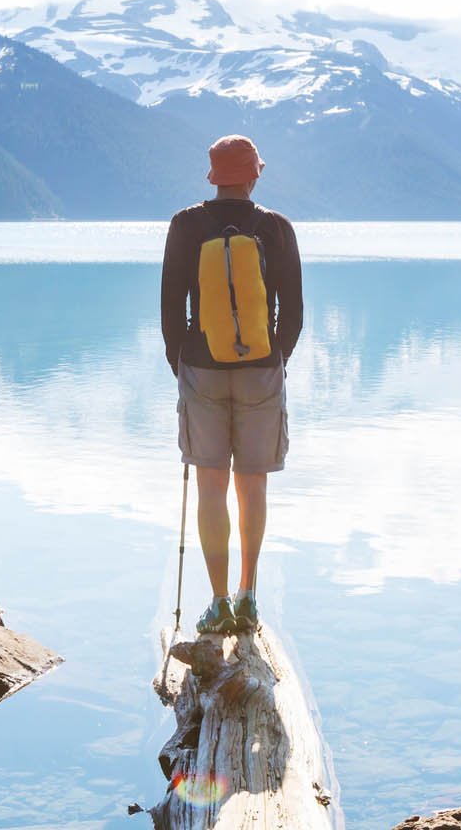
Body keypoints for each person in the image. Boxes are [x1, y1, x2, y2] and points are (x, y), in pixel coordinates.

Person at [160, 134, 303, 635]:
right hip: (261, 371)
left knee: (211, 487)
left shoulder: (185, 226)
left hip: (202, 370)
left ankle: (217, 601)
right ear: (254, 174)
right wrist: (273, 358)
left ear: (213, 176)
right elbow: (295, 311)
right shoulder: (276, 228)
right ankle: (248, 597)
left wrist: (184, 364)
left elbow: (171, 306)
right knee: (253, 486)